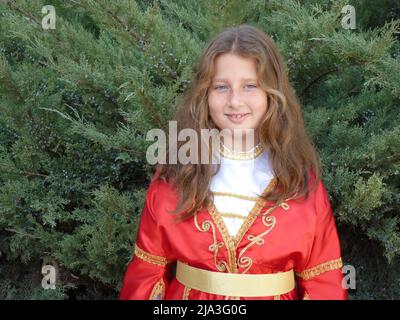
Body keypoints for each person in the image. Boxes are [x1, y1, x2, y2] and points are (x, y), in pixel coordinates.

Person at [119, 24, 348, 300]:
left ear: (271, 94)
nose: (235, 101)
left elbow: (325, 281)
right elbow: (146, 273)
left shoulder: (301, 181)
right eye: (221, 87)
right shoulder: (177, 175)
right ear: (204, 94)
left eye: (250, 86)